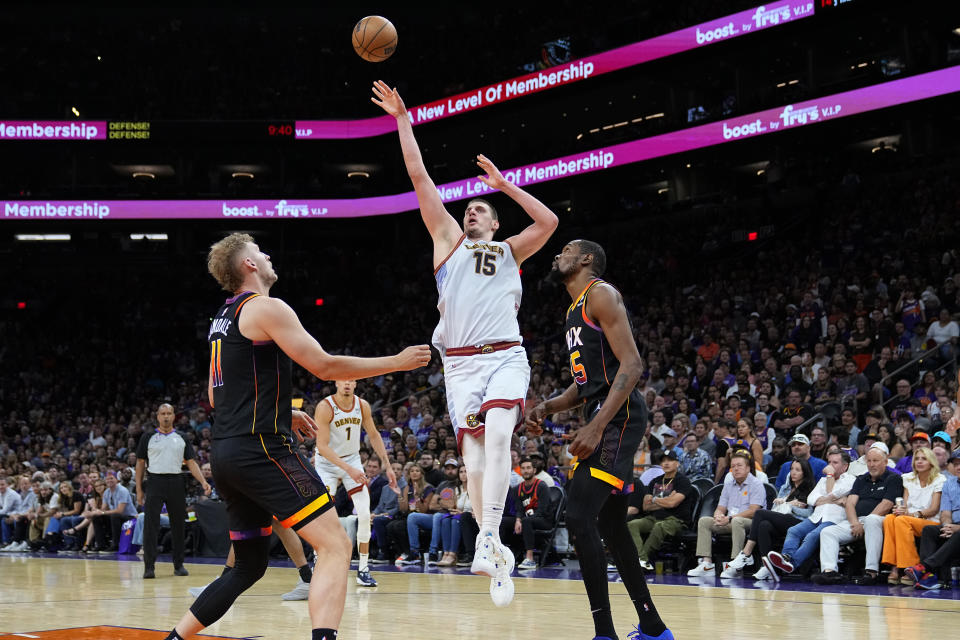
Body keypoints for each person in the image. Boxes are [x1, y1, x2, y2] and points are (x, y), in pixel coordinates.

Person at [161, 232, 430, 640]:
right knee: (336, 546)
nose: (267, 256)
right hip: (262, 449)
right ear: (249, 265)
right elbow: (324, 365)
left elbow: (217, 395)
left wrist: (283, 408)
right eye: (259, 252)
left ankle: (174, 638)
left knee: (247, 567)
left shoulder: (224, 317)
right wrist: (396, 362)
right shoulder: (265, 307)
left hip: (226, 454)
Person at [373, 80, 558, 607]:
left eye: (481, 210)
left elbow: (548, 220)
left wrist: (503, 184)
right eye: (470, 208)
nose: (472, 212)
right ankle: (493, 547)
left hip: (504, 355)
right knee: (473, 465)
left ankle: (490, 538)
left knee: (499, 437)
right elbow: (419, 176)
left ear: (496, 223)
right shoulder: (448, 242)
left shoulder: (510, 250)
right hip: (460, 368)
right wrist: (404, 121)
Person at [527, 239, 672, 640]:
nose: (558, 255)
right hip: (606, 415)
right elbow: (585, 386)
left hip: (620, 417)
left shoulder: (601, 293)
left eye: (567, 249)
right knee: (610, 524)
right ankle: (654, 628)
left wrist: (595, 426)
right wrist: (547, 407)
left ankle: (604, 633)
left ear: (587, 259)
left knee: (577, 516)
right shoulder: (574, 310)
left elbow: (633, 364)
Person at [313, 380, 399, 588]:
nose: (347, 384)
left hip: (351, 460)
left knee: (363, 513)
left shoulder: (362, 405)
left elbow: (374, 435)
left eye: (351, 380)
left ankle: (363, 568)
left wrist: (387, 466)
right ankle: (318, 560)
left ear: (356, 383)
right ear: (336, 382)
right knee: (322, 513)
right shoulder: (325, 407)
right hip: (327, 463)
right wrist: (349, 469)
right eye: (344, 380)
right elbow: (322, 446)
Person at [136, 403, 211, 579]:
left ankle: (179, 565)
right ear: (158, 416)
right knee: (150, 526)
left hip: (177, 481)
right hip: (154, 481)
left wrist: (203, 481)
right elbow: (140, 463)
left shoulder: (182, 437)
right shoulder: (148, 437)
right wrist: (139, 489)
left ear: (174, 415)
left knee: (179, 525)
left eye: (169, 413)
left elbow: (191, 462)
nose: (166, 416)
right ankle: (149, 567)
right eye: (163, 413)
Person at [813, 446, 902, 585]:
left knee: (872, 520)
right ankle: (829, 572)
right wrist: (855, 523)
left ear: (885, 462)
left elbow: (886, 505)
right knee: (828, 532)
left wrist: (864, 523)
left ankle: (871, 572)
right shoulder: (861, 479)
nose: (872, 464)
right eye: (869, 461)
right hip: (857, 522)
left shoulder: (894, 479)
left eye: (876, 461)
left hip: (880, 521)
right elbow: (850, 504)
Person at [764, 449, 856, 581]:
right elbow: (811, 500)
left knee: (812, 536)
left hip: (833, 520)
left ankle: (792, 564)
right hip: (815, 517)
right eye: (829, 462)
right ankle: (785, 558)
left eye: (835, 463)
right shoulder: (822, 481)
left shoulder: (851, 479)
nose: (830, 465)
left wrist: (829, 480)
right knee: (793, 531)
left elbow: (832, 493)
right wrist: (834, 499)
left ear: (845, 466)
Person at [725, 458, 814, 578]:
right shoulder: (785, 488)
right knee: (764, 525)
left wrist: (791, 506)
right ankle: (766, 565)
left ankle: (746, 553)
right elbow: (775, 509)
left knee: (760, 513)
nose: (793, 472)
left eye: (797, 470)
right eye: (792, 469)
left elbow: (809, 513)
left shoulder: (810, 489)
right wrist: (786, 503)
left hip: (799, 523)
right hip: (782, 519)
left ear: (805, 472)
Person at [687, 451, 765, 578]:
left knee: (737, 521)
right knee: (704, 521)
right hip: (730, 520)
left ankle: (736, 565)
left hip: (752, 522)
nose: (735, 468)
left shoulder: (756, 484)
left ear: (748, 468)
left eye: (739, 465)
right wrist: (718, 516)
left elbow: (754, 510)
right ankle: (707, 564)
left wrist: (729, 518)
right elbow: (721, 507)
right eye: (733, 466)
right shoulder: (728, 485)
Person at [881, 447, 944, 585]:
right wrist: (900, 509)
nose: (919, 461)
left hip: (930, 521)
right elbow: (905, 503)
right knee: (890, 518)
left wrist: (912, 514)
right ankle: (894, 566)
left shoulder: (939, 480)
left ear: (931, 462)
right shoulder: (908, 478)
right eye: (917, 458)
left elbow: (934, 509)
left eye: (924, 459)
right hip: (909, 518)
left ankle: (910, 567)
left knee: (902, 520)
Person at [627, 449, 695, 571]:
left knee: (660, 526)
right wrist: (665, 500)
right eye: (663, 461)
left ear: (677, 463)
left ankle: (640, 561)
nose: (666, 463)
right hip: (653, 517)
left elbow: (673, 504)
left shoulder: (682, 481)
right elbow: (646, 506)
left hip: (676, 520)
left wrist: (655, 499)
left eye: (670, 460)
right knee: (632, 524)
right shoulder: (655, 481)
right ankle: (643, 560)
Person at [908, 451, 960, 589]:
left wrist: (957, 528)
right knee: (929, 530)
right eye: (956, 464)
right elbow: (945, 512)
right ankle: (928, 578)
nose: (958, 467)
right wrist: (948, 525)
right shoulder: (949, 484)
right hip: (953, 525)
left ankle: (924, 567)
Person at [513, 457, 553, 571]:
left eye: (528, 468)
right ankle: (502, 556)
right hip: (527, 520)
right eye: (523, 468)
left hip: (544, 520)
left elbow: (543, 511)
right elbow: (519, 509)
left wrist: (523, 520)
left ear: (534, 470)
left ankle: (530, 559)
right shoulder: (517, 489)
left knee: (526, 521)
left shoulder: (541, 486)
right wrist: (517, 520)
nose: (526, 471)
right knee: (504, 522)